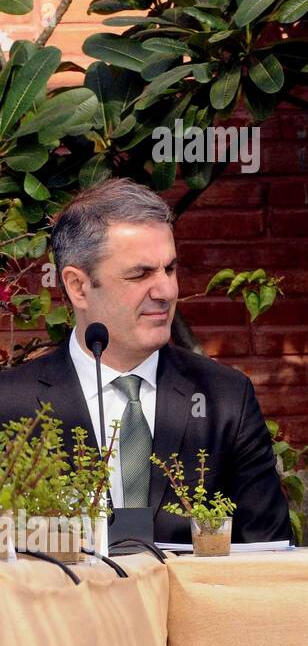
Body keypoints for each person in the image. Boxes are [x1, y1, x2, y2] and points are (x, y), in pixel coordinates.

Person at [0, 179, 292, 544]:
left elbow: (270, 556)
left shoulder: (225, 400)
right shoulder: (10, 405)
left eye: (169, 269)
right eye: (140, 274)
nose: (166, 291)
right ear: (78, 286)